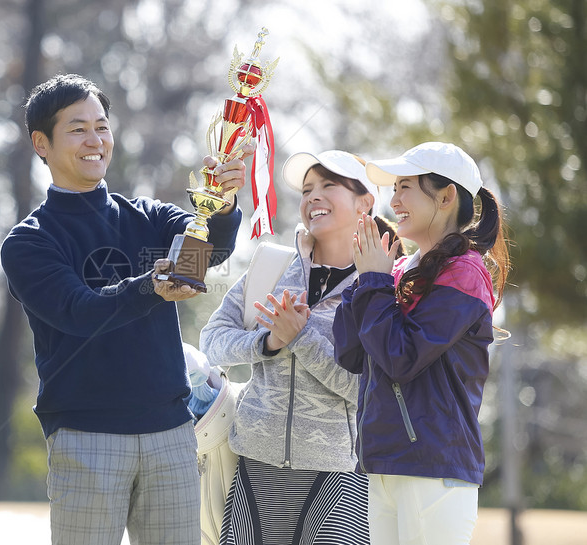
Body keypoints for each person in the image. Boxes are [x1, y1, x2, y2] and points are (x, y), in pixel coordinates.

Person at [0, 73, 246, 545]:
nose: (95, 140)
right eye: (77, 129)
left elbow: (205, 253)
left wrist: (224, 203)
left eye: (102, 126)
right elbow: (78, 312)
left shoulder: (148, 216)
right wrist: (150, 287)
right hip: (85, 435)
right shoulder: (29, 242)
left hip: (173, 434)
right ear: (41, 143)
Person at [200, 150, 399, 544]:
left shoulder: (383, 287)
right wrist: (268, 342)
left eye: (329, 185)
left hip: (338, 481)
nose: (313, 197)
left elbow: (370, 390)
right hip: (254, 470)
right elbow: (213, 340)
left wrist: (301, 338)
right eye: (307, 189)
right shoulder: (271, 266)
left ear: (366, 202)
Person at [333, 141, 510, 545]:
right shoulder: (398, 270)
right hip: (385, 463)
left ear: (446, 197)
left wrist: (376, 283)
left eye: (405, 187)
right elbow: (353, 353)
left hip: (435, 466)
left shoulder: (465, 271)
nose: (393, 200)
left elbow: (402, 356)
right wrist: (362, 278)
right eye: (394, 189)